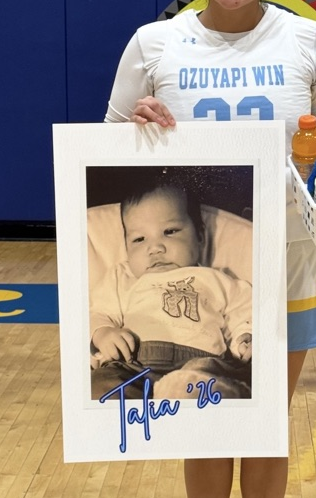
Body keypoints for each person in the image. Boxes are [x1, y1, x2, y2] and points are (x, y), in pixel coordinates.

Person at [104, 0, 316, 498]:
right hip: (194, 281)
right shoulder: (155, 43)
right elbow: (110, 141)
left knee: (267, 424)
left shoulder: (308, 41)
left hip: (292, 265)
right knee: (206, 422)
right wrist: (139, 127)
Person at [90, 172, 252, 402]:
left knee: (204, 376)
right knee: (102, 385)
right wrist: (103, 332)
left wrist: (245, 335)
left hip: (200, 362)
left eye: (170, 232)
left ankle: (196, 395)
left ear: (200, 235)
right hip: (133, 365)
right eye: (139, 240)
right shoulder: (123, 276)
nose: (155, 248)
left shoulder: (217, 279)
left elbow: (244, 309)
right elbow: (98, 313)